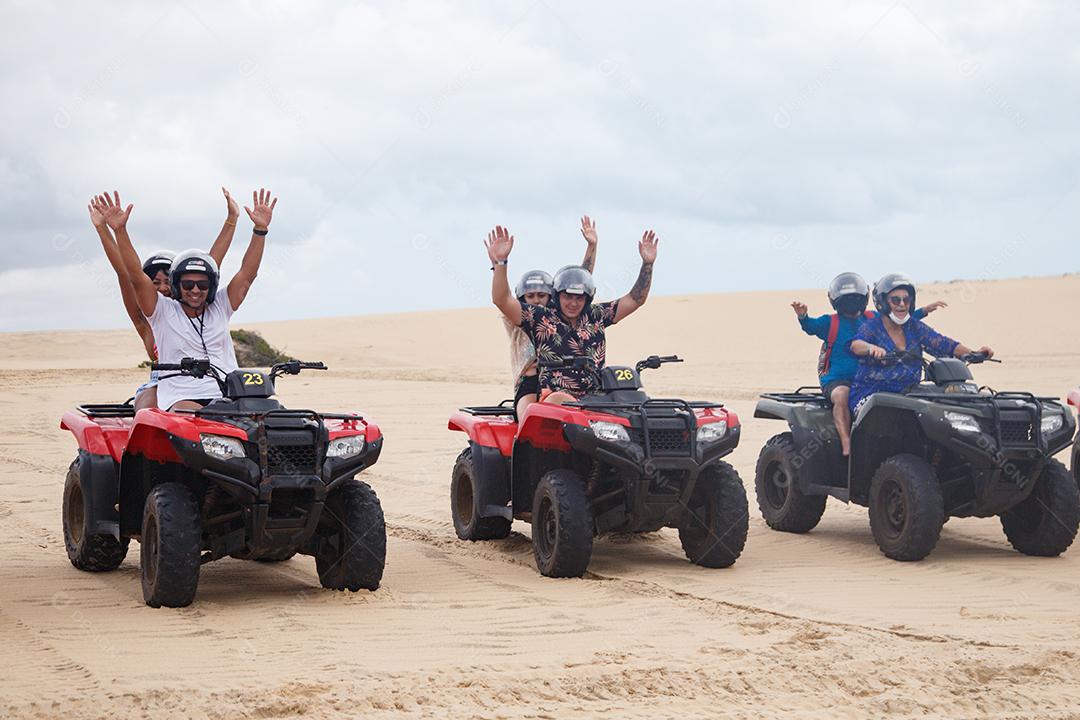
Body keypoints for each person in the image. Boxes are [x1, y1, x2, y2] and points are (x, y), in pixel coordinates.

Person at [99, 188, 276, 412]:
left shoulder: (220, 306)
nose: (195, 290)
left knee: (273, 413)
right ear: (178, 286)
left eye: (202, 285)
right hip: (182, 397)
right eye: (187, 284)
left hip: (228, 395)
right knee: (184, 414)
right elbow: (132, 276)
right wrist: (119, 230)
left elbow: (246, 274)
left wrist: (259, 230)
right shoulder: (161, 311)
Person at [487, 224, 658, 406]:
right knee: (560, 401)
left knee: (637, 403)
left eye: (579, 298)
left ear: (587, 298)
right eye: (567, 297)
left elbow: (635, 299)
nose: (573, 303)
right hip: (556, 399)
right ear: (557, 295)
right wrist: (500, 263)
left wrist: (647, 265)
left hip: (597, 398)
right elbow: (502, 300)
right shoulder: (540, 318)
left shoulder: (597, 315)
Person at [792, 272, 945, 455]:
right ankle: (846, 442)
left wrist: (923, 311)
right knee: (842, 395)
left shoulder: (873, 317)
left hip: (871, 377)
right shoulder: (829, 322)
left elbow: (899, 320)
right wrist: (803, 316)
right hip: (837, 380)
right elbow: (811, 326)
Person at [488, 216, 599, 419]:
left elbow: (580, 281)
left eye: (541, 295)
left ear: (551, 296)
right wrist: (498, 264)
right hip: (530, 382)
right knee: (529, 421)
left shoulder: (554, 317)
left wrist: (592, 246)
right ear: (522, 299)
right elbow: (501, 297)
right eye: (530, 296)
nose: (536, 301)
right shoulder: (517, 318)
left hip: (562, 381)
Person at [848, 273, 992, 416]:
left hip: (909, 394)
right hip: (872, 395)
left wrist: (974, 353)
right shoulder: (872, 327)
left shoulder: (915, 327)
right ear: (883, 302)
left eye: (906, 300)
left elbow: (944, 343)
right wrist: (870, 348)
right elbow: (856, 345)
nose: (902, 304)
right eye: (896, 300)